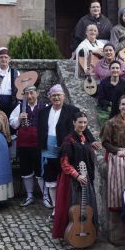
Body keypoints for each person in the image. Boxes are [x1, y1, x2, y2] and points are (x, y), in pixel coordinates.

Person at [38, 85, 100, 219]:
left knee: (64, 180)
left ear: (64, 96)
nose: (56, 97)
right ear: (49, 97)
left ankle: (65, 208)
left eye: (58, 95)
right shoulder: (44, 111)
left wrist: (92, 140)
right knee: (50, 180)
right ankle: (55, 208)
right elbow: (40, 129)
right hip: (47, 150)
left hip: (65, 149)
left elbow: (83, 126)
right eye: (53, 95)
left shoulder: (72, 110)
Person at [52, 112, 99, 240]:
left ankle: (88, 232)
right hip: (71, 181)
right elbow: (64, 163)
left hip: (86, 177)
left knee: (87, 206)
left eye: (84, 122)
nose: (82, 125)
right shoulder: (69, 140)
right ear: (74, 122)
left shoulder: (85, 138)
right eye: (80, 122)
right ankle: (71, 233)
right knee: (73, 206)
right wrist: (77, 176)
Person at [9, 85, 47, 207]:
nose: (29, 96)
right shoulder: (19, 107)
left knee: (40, 170)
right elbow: (13, 125)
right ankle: (29, 195)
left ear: (37, 93)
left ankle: (45, 196)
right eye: (27, 94)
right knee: (26, 170)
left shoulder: (45, 107)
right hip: (23, 144)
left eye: (32, 93)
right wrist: (19, 119)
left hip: (38, 143)